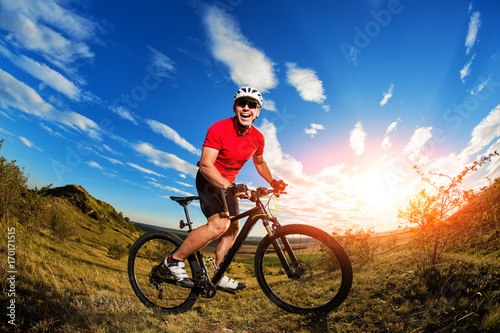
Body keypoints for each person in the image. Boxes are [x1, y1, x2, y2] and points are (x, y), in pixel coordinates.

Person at [164, 86, 287, 291]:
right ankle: (174, 260)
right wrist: (231, 186)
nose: (246, 108)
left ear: (257, 112)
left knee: (233, 227)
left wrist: (273, 183)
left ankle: (218, 273)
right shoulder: (219, 128)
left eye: (252, 105)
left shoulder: (258, 138)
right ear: (235, 107)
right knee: (220, 225)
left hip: (229, 184)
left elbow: (260, 163)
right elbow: (205, 165)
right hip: (210, 178)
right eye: (242, 104)